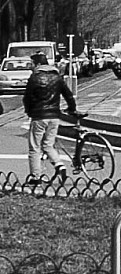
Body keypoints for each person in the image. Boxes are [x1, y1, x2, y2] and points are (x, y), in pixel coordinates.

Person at [23, 51, 77, 185]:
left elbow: (27, 97)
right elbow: (68, 95)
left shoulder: (34, 78)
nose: (31, 67)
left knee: (35, 147)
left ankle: (36, 176)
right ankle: (59, 165)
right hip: (54, 116)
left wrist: (29, 112)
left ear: (39, 64)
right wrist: (72, 109)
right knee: (48, 144)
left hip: (39, 116)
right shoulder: (57, 77)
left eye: (33, 64)